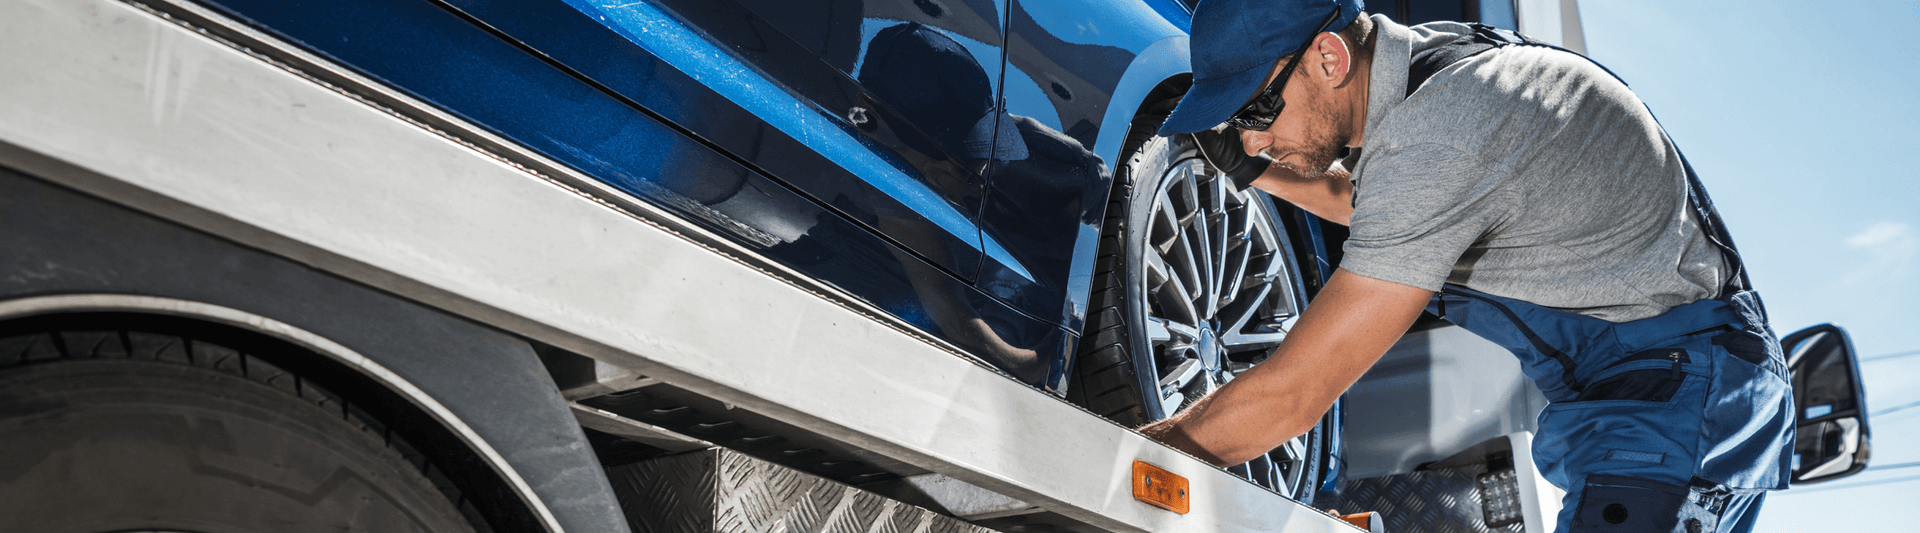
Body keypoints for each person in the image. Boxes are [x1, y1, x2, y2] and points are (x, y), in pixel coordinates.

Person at [1138, 1, 1794, 531]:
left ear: (1330, 57)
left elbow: (1293, 394)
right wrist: (1260, 165)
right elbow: (1382, 209)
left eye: (1256, 109)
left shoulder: (1443, 132)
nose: (1251, 136)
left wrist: (1127, 454)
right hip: (1653, 384)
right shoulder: (1439, 64)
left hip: (1680, 399)